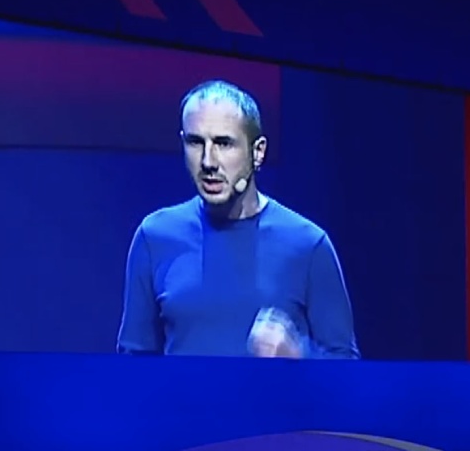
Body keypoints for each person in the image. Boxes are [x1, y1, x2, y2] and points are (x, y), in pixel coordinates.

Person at [116, 80, 360, 359]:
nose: (208, 161)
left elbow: (346, 370)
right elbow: (133, 365)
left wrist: (298, 358)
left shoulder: (308, 244)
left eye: (224, 143)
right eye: (195, 142)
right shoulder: (155, 236)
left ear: (258, 152)